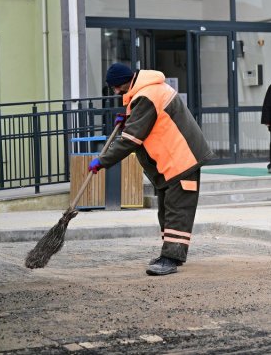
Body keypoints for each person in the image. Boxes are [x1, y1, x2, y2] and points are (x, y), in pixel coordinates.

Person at [88, 63, 213, 276]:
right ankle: (171, 253)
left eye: (116, 87)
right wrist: (129, 118)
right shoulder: (146, 91)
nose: (116, 92)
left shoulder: (147, 95)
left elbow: (131, 140)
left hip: (181, 159)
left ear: (125, 81)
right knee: (166, 209)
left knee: (177, 210)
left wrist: (102, 161)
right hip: (170, 161)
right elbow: (150, 123)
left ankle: (170, 258)